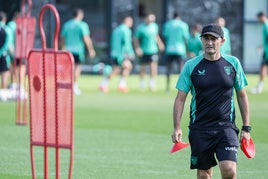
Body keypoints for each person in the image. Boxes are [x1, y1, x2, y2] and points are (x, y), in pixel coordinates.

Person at [172, 24, 251, 179]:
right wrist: (177, 127)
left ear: (222, 41)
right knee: (204, 175)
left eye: (213, 39)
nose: (209, 42)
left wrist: (246, 128)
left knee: (229, 169)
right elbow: (180, 98)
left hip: (226, 127)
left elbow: (242, 95)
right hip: (200, 128)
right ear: (201, 40)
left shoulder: (233, 63)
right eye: (206, 38)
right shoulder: (191, 66)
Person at [61, 8, 96, 95]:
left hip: (68, 51)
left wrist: (63, 47)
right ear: (80, 15)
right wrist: (91, 50)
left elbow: (62, 37)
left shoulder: (67, 24)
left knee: (68, 69)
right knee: (77, 68)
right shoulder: (82, 25)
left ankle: (65, 85)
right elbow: (86, 38)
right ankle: (74, 86)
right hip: (77, 50)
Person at [99, 16, 135, 93]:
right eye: (130, 22)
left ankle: (120, 85)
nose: (132, 23)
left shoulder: (116, 29)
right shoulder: (126, 30)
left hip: (115, 53)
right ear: (126, 22)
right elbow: (127, 43)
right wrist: (130, 53)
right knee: (118, 69)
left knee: (123, 68)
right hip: (121, 54)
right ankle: (104, 84)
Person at [134, 13, 164, 91]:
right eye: (150, 18)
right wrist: (138, 48)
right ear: (146, 18)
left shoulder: (155, 26)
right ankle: (142, 83)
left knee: (153, 67)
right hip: (144, 51)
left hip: (153, 50)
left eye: (153, 18)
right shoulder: (140, 28)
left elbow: (156, 36)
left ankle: (152, 83)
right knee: (143, 67)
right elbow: (136, 39)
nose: (152, 20)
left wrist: (160, 43)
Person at [162, 12, 190, 92]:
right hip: (180, 50)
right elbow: (186, 38)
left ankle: (167, 87)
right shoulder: (183, 25)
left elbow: (165, 35)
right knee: (181, 69)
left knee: (168, 69)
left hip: (170, 49)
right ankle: (181, 88)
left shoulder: (168, 24)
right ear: (179, 16)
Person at [251, 11, 268, 94]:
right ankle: (259, 87)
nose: (258, 20)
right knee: (263, 68)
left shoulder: (266, 25)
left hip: (267, 52)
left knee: (263, 68)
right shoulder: (265, 25)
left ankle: (259, 88)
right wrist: (261, 46)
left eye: (258, 18)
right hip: (266, 51)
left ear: (261, 17)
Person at [0, 11, 11, 89]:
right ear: (4, 19)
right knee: (4, 74)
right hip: (3, 54)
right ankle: (3, 92)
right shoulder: (7, 29)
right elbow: (7, 44)